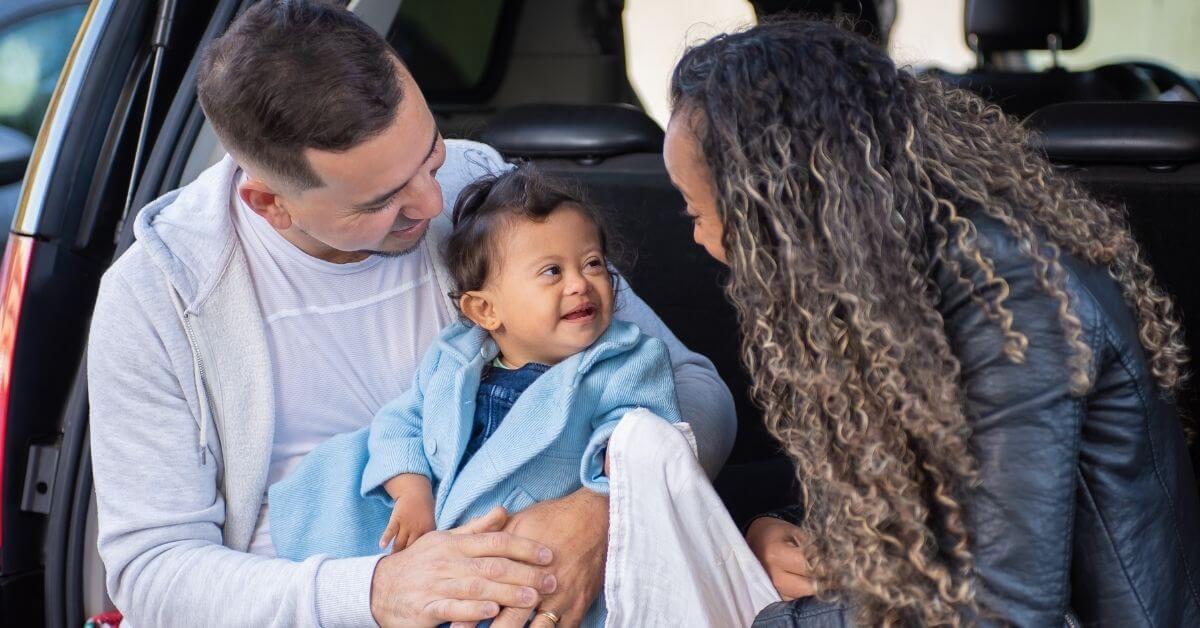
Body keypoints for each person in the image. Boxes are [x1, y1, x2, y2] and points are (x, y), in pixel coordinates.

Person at [85, 2, 736, 626]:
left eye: (429, 153)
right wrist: (376, 591)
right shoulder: (160, 298)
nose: (431, 205)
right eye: (382, 200)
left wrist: (602, 515)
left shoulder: (483, 200)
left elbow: (694, 391)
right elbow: (153, 571)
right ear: (269, 204)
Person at [662, 19, 1200, 627]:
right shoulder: (893, 283)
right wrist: (773, 532)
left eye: (697, 211)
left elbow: (1008, 611)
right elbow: (920, 504)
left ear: (776, 206)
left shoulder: (1010, 299)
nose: (699, 236)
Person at [265, 165, 682, 627]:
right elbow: (401, 422)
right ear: (485, 309)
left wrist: (606, 487)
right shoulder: (455, 359)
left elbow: (643, 441)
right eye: (551, 271)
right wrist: (412, 493)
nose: (580, 283)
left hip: (539, 562)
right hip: (441, 551)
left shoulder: (622, 362)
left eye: (593, 263)